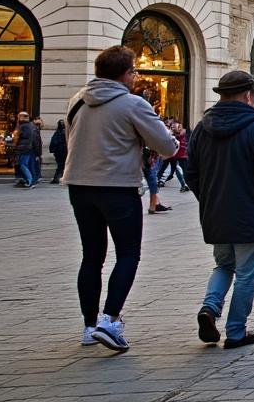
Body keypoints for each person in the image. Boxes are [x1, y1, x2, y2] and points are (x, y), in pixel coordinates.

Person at [64, 45, 180, 352]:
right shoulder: (133, 104)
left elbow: (70, 139)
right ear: (126, 74)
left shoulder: (78, 100)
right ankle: (110, 320)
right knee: (128, 253)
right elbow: (168, 147)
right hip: (117, 186)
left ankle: (89, 326)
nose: (136, 75)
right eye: (134, 71)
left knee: (92, 256)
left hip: (79, 185)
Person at [184, 70, 254, 349]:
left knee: (224, 264)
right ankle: (236, 330)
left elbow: (190, 172)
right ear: (249, 95)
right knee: (246, 274)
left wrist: (207, 198)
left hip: (216, 212)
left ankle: (210, 307)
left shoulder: (203, 127)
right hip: (250, 213)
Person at [12, 111, 39, 188]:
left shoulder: (23, 126)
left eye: (19, 116)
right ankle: (29, 181)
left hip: (23, 148)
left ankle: (30, 181)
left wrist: (16, 137)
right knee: (24, 165)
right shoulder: (29, 125)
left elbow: (22, 136)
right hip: (27, 148)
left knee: (23, 165)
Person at [49, 119, 68, 184]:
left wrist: (53, 150)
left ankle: (57, 178)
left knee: (60, 166)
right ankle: (59, 178)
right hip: (64, 151)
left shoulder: (58, 132)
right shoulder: (66, 132)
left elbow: (53, 142)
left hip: (59, 152)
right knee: (62, 166)